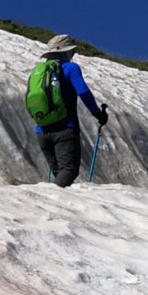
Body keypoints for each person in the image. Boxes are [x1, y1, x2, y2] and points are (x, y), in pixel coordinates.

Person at [25, 34, 107, 187]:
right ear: (66, 52)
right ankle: (47, 201)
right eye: (72, 52)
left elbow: (29, 99)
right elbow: (83, 92)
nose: (73, 55)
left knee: (60, 175)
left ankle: (56, 207)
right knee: (69, 170)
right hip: (65, 128)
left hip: (42, 131)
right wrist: (98, 114)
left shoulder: (37, 73)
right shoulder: (70, 68)